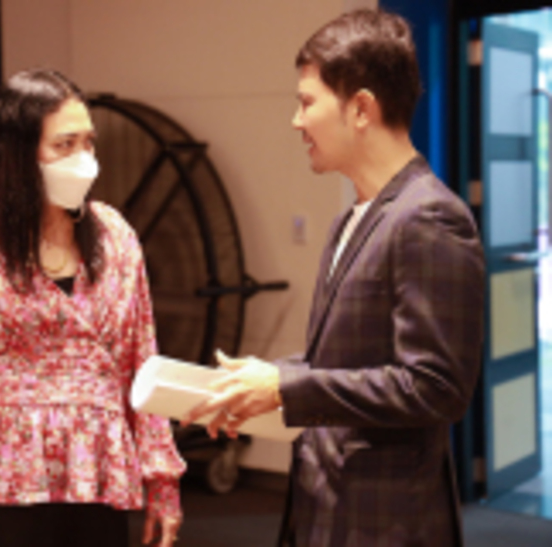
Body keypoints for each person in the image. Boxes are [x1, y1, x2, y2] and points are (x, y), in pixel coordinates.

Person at [183, 9, 485, 547]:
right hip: (328, 502)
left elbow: (436, 387)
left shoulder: (428, 216)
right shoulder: (352, 218)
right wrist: (268, 379)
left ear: (361, 108)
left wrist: (286, 387)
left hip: (385, 519)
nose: (296, 121)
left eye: (307, 102)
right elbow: (349, 360)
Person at [0, 69, 185, 547]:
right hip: (2, 480)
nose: (83, 159)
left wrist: (162, 479)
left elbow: (142, 361)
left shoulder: (114, 236)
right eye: (64, 145)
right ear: (17, 153)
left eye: (88, 143)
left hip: (97, 473)